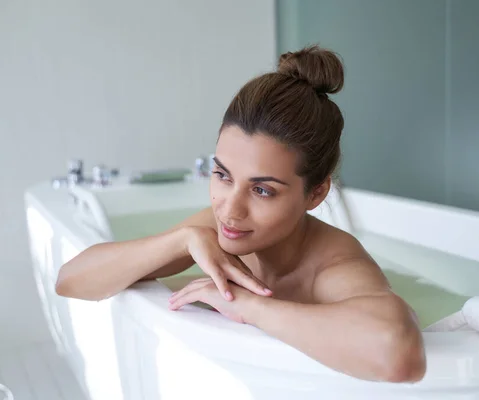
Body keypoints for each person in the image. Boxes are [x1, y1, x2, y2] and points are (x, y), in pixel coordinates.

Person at [55, 45, 426, 383]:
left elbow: (398, 352)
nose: (230, 210)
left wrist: (252, 307)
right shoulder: (214, 229)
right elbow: (70, 280)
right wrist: (182, 239)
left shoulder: (334, 265)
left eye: (262, 190)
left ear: (316, 193)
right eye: (222, 175)